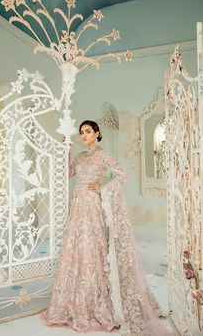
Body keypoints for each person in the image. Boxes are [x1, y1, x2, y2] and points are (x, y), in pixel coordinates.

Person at [41, 120, 175, 335]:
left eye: (87, 132)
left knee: (94, 247)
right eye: (81, 133)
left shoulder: (103, 155)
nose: (83, 135)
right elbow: (67, 174)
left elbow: (122, 175)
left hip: (94, 207)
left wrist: (102, 185)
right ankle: (77, 295)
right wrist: (65, 151)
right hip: (77, 207)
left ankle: (98, 296)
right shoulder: (79, 157)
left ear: (97, 133)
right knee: (77, 248)